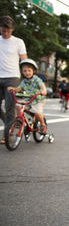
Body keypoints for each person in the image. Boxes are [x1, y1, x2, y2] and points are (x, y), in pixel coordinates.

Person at [0, 15, 27, 144]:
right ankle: (10, 124)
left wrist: (27, 78)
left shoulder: (18, 42)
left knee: (9, 106)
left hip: (13, 77)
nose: (6, 33)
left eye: (9, 31)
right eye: (3, 30)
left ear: (12, 30)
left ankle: (7, 135)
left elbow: (24, 60)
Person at [7, 59, 47, 133]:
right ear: (22, 72)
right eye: (25, 71)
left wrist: (43, 91)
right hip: (28, 99)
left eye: (29, 70)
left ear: (33, 71)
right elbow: (19, 89)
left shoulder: (37, 80)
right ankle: (19, 120)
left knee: (37, 112)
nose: (27, 73)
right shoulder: (24, 81)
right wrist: (13, 89)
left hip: (37, 99)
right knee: (18, 105)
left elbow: (42, 86)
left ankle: (42, 124)